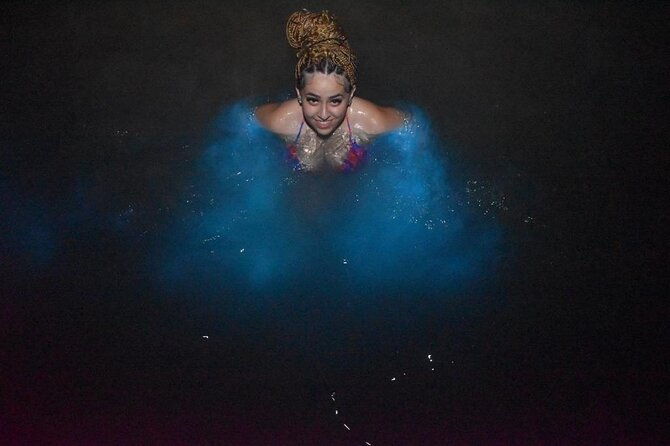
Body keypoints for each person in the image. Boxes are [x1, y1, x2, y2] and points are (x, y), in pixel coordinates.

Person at [255, 10, 406, 172]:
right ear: (299, 94)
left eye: (335, 101)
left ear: (351, 95)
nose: (323, 114)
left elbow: (411, 125)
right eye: (313, 100)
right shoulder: (280, 122)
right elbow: (246, 119)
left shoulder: (371, 122)